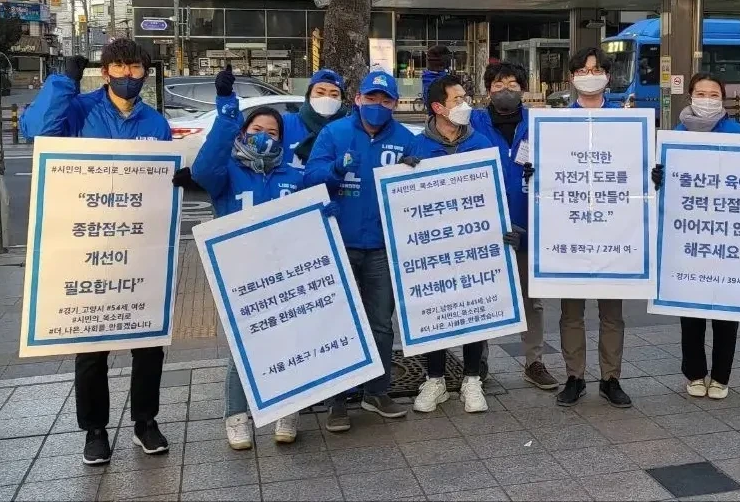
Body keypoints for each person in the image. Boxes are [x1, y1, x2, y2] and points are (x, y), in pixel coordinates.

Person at [20, 41, 172, 466]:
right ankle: (95, 430)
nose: (127, 74)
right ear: (104, 72)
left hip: (137, 244)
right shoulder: (79, 110)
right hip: (87, 245)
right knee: (92, 344)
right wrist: (64, 82)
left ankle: (145, 422)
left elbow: (160, 179)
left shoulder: (155, 122)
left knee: (148, 340)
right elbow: (37, 130)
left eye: (135, 67)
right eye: (118, 66)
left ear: (145, 73)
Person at [187, 66, 308, 450]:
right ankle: (237, 416)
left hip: (285, 271)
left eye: (273, 133)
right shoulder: (226, 173)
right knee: (244, 344)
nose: (264, 137)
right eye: (257, 130)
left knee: (290, 340)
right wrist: (227, 111)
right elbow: (202, 169)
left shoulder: (293, 175)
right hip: (240, 270)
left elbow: (314, 211)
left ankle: (288, 409)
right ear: (243, 133)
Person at [304, 69, 415, 430]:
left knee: (381, 324)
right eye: (371, 98)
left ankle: (376, 392)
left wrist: (416, 173)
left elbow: (423, 185)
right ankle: (338, 400)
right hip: (341, 242)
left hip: (382, 246)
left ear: (395, 104)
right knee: (341, 323)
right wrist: (335, 170)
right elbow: (310, 178)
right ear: (357, 99)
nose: (377, 105)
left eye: (386, 100)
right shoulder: (334, 133)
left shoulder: (405, 139)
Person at [399, 74, 510, 413]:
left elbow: (496, 192)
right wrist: (403, 175)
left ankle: (472, 379)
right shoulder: (417, 147)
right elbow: (403, 200)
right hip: (432, 247)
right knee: (435, 308)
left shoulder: (481, 144)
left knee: (474, 307)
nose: (466, 105)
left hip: (473, 242)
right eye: (457, 100)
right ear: (438, 107)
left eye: (465, 98)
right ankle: (435, 379)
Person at [650, 73, 740, 401]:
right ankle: (694, 372)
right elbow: (658, 189)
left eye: (713, 94)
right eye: (701, 93)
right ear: (690, 96)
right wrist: (656, 177)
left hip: (727, 234)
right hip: (687, 235)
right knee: (690, 308)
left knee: (726, 310)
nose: (707, 99)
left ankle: (721, 376)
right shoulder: (673, 138)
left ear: (723, 97)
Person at [470, 62, 559, 391]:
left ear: (523, 88)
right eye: (497, 84)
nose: (505, 90)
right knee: (482, 297)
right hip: (483, 225)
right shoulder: (473, 122)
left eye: (511, 84)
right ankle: (477, 361)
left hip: (527, 223)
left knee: (530, 299)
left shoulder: (539, 123)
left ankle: (533, 361)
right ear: (487, 90)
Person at [553, 47, 630, 408]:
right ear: (572, 78)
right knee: (571, 312)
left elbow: (636, 171)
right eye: (583, 71)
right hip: (570, 230)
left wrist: (651, 175)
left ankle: (611, 379)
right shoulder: (556, 124)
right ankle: (575, 377)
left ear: (607, 76)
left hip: (614, 231)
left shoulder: (627, 122)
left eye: (596, 69)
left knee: (612, 313)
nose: (590, 76)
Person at [282, 69, 349, 169]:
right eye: (320, 92)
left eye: (334, 95)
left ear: (342, 99)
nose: (327, 98)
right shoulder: (286, 123)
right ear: (309, 95)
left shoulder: (350, 128)